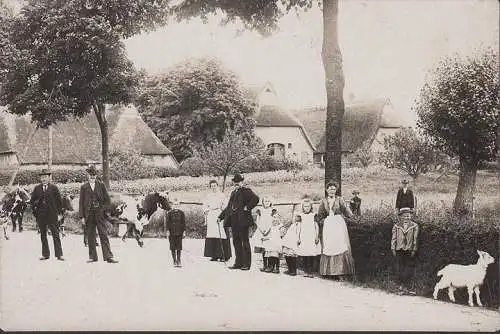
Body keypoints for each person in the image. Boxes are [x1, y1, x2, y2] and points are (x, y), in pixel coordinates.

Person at [219, 173, 259, 271]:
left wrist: (247, 207)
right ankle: (238, 263)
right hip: (234, 221)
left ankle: (246, 264)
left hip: (243, 221)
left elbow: (256, 199)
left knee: (245, 242)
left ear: (242, 182)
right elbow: (229, 207)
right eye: (235, 182)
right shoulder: (233, 192)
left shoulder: (246, 191)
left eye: (238, 182)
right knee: (236, 242)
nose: (236, 183)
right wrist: (221, 217)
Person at [79, 165, 118, 263]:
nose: (92, 176)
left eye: (94, 174)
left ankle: (108, 256)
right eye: (90, 174)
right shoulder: (84, 187)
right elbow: (81, 203)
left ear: (96, 175)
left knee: (103, 234)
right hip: (89, 214)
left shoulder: (101, 185)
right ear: (87, 175)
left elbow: (107, 201)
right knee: (90, 235)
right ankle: (92, 257)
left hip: (99, 214)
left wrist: (102, 209)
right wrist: (82, 216)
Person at [316, 181, 355, 280]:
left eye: (333, 189)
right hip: (328, 225)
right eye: (330, 189)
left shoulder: (340, 199)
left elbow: (347, 211)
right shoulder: (323, 201)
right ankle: (327, 272)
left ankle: (340, 272)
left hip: (338, 224)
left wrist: (354, 218)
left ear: (336, 190)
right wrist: (324, 220)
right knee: (329, 245)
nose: (332, 191)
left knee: (340, 245)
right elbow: (319, 215)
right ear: (326, 190)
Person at [30, 169, 64, 261]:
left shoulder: (54, 188)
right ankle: (45, 254)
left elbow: (59, 202)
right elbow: (32, 202)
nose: (44, 178)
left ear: (49, 178)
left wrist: (60, 214)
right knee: (43, 235)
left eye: (45, 177)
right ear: (40, 178)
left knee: (56, 234)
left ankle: (59, 255)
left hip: (52, 215)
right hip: (41, 216)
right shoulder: (37, 188)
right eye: (42, 177)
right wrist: (35, 213)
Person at [391, 208, 419, 293]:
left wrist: (414, 249)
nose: (407, 217)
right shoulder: (397, 226)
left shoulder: (414, 226)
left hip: (409, 249)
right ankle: (400, 285)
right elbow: (394, 238)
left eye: (409, 215)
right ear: (401, 217)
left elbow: (415, 238)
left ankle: (406, 285)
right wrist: (393, 248)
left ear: (411, 216)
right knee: (399, 267)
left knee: (408, 267)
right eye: (405, 216)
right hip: (399, 248)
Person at [203, 180, 231, 262]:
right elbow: (204, 204)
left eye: (215, 186)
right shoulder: (208, 196)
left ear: (217, 186)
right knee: (212, 234)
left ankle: (224, 255)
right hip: (211, 215)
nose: (213, 187)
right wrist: (206, 210)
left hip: (219, 214)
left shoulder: (221, 195)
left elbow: (226, 205)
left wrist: (222, 210)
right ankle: (214, 255)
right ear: (210, 187)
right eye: (212, 186)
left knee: (221, 233)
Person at [296, 199, 320, 278]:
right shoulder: (300, 215)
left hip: (311, 236)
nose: (307, 208)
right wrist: (298, 237)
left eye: (308, 206)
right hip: (304, 236)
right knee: (305, 254)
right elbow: (298, 227)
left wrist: (317, 236)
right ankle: (305, 270)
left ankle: (310, 271)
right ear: (302, 207)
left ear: (311, 207)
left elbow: (316, 226)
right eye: (305, 206)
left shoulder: (313, 215)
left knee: (311, 254)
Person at [252, 197, 274, 271]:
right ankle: (265, 265)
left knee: (269, 248)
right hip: (261, 230)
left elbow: (273, 221)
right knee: (263, 248)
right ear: (263, 202)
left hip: (270, 230)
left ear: (270, 202)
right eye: (265, 201)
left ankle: (270, 266)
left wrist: (268, 230)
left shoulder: (273, 210)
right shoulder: (260, 210)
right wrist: (261, 230)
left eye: (268, 201)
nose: (267, 202)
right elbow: (257, 221)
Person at [165, 197, 186, 267]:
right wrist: (167, 231)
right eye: (175, 204)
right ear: (172, 205)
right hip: (172, 232)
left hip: (179, 232)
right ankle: (174, 261)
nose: (176, 206)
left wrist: (184, 231)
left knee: (179, 247)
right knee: (173, 247)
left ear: (179, 205)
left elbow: (183, 223)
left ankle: (179, 260)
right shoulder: (170, 213)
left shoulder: (182, 213)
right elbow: (167, 223)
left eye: (177, 205)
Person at [261, 207, 283, 274]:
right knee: (270, 256)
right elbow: (269, 235)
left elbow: (280, 236)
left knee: (276, 256)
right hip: (271, 244)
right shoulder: (271, 227)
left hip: (276, 244)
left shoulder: (280, 227)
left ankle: (277, 268)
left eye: (276, 218)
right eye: (273, 217)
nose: (275, 219)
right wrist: (265, 238)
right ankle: (271, 267)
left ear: (279, 219)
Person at [281, 208, 300, 276]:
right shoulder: (293, 224)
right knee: (287, 255)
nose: (296, 218)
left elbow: (298, 233)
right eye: (295, 217)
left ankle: (293, 270)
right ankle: (289, 269)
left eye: (298, 217)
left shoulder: (299, 225)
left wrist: (298, 239)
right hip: (288, 241)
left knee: (292, 256)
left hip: (293, 242)